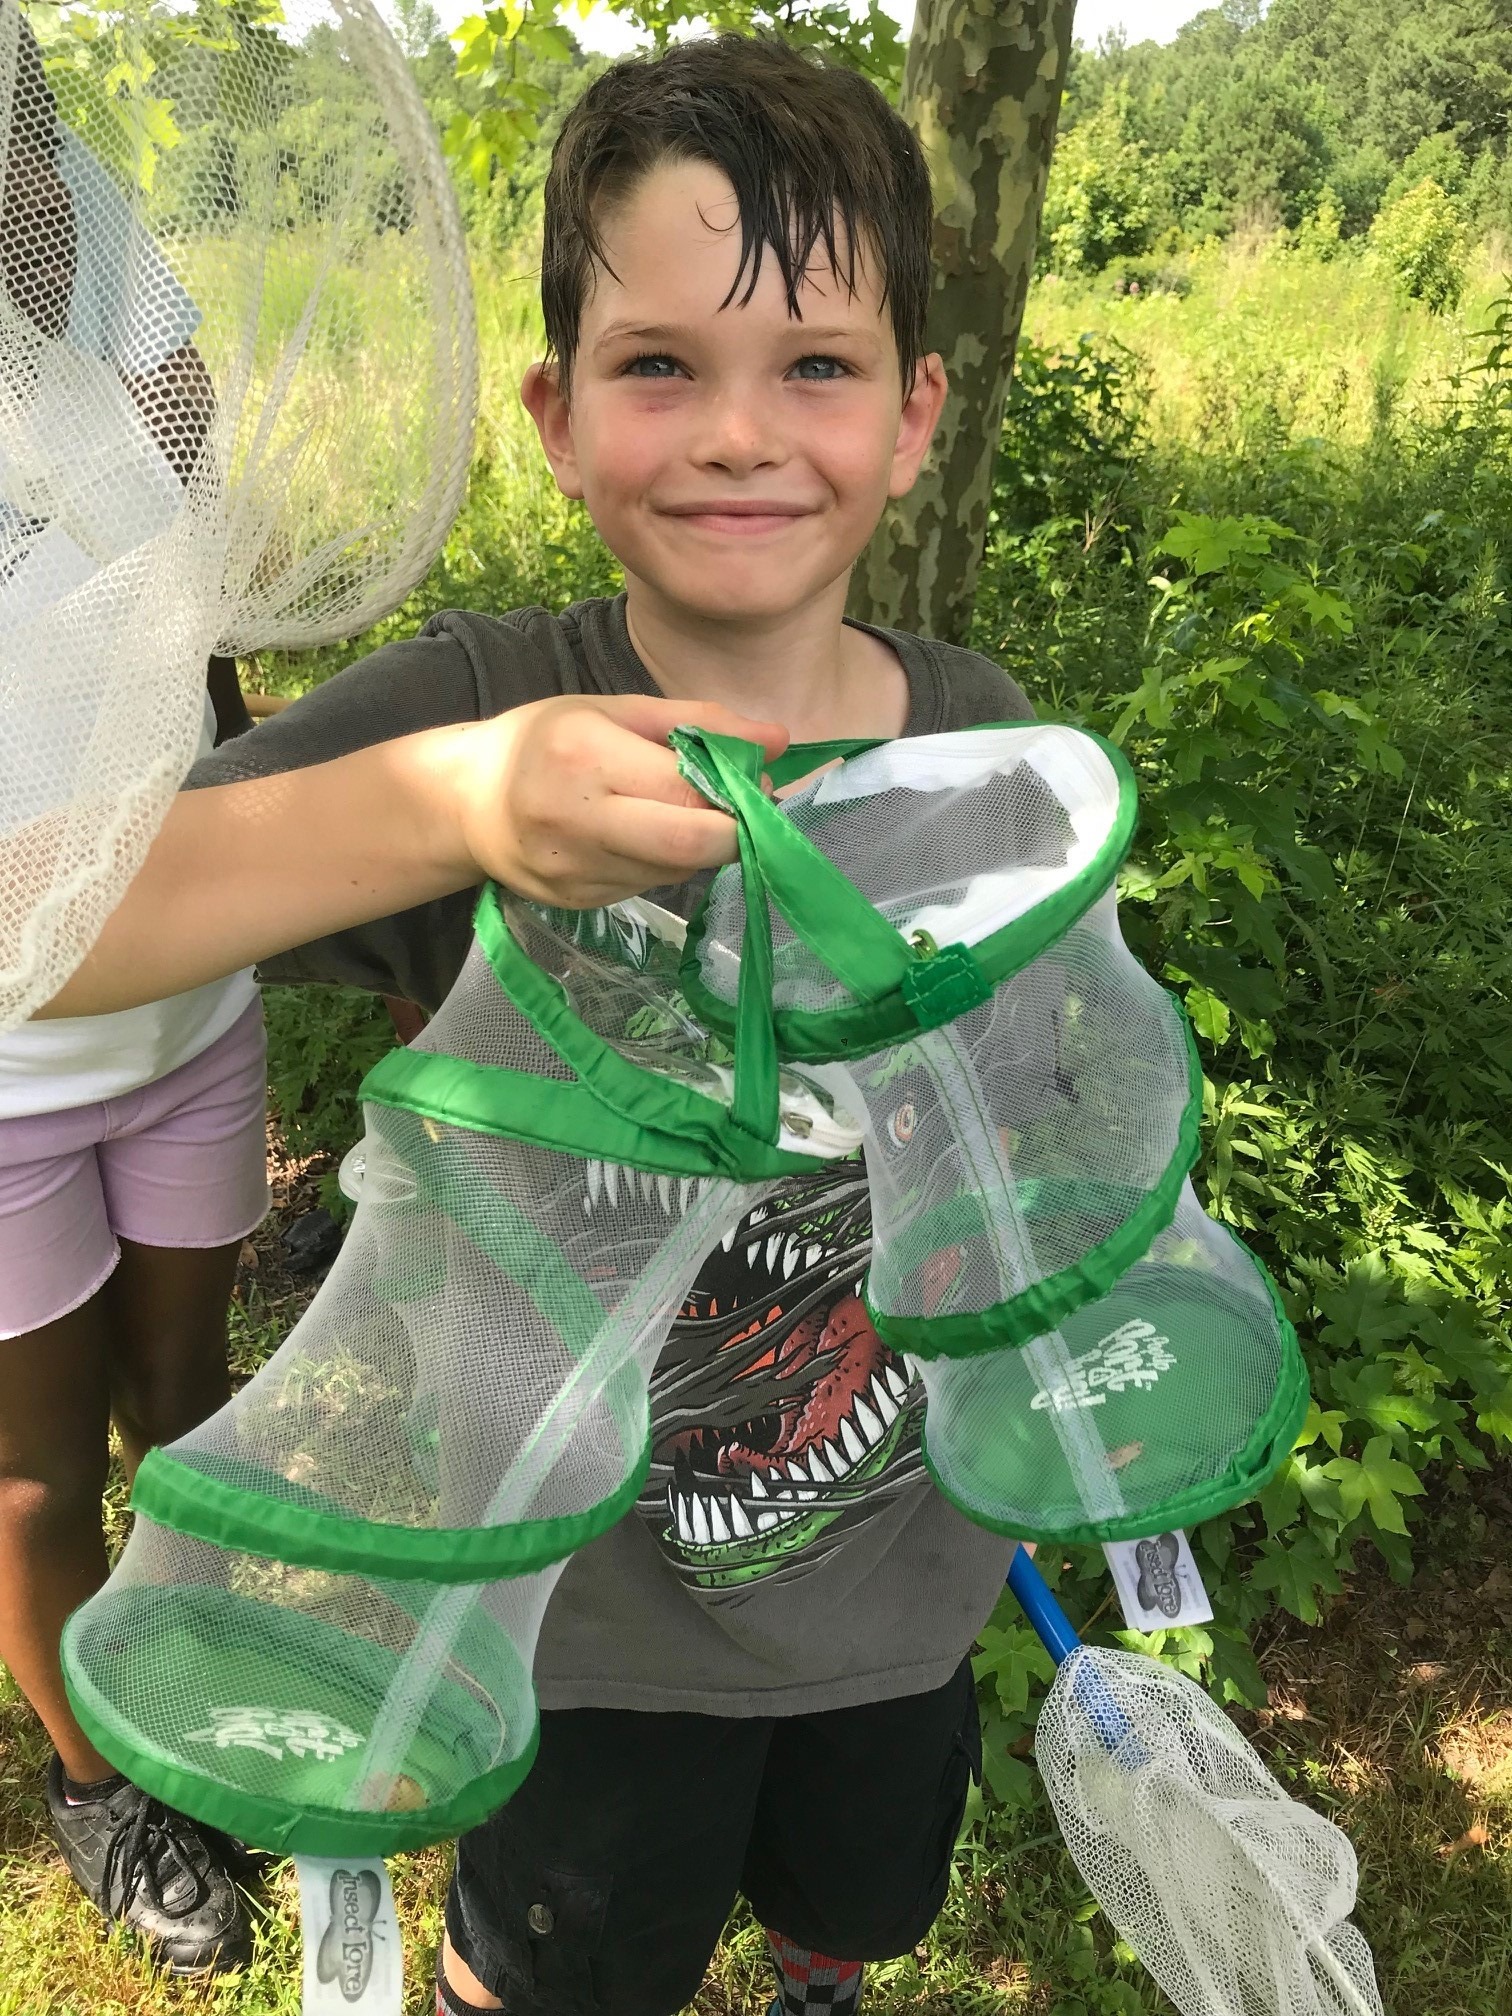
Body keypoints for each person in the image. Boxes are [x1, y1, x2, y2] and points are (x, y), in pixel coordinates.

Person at [45, 35, 1034, 2016]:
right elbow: (49, 930)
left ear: (916, 417)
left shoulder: (979, 729)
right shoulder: (480, 715)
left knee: (853, 1894)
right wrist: (449, 805)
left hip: (905, 1587)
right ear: (556, 416)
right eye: (660, 364)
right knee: (566, 1969)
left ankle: (820, 1973)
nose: (743, 432)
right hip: (585, 1637)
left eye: (818, 366)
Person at [0, 5, 260, 1974]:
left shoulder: (78, 211)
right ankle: (102, 1783)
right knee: (27, 1475)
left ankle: (196, 1701)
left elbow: (174, 428)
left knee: (188, 1403)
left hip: (187, 1010)